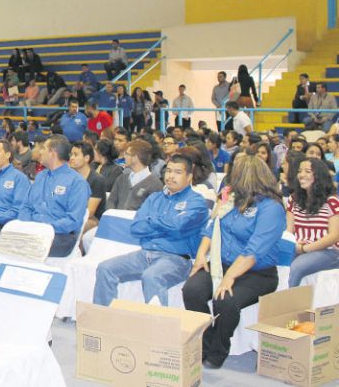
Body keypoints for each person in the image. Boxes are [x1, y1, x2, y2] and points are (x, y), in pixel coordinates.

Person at [183, 155, 286, 369]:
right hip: (221, 265)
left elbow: (254, 250)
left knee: (224, 299)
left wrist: (229, 278)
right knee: (191, 290)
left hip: (258, 273)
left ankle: (217, 351)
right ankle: (205, 342)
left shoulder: (271, 208)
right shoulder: (229, 198)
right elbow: (212, 227)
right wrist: (201, 256)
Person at [94, 152, 211, 306]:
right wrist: (167, 223)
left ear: (189, 177)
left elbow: (178, 226)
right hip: (144, 254)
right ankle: (103, 316)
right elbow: (136, 227)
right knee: (105, 268)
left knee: (152, 276)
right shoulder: (154, 198)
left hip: (176, 259)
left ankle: (157, 322)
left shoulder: (196, 202)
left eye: (178, 172)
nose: (171, 176)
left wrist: (151, 220)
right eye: (168, 171)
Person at [15, 135, 90, 256]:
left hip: (60, 236)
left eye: (43, 148)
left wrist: (45, 228)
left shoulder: (77, 183)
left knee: (23, 246)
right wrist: (28, 225)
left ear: (53, 153)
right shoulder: (40, 176)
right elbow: (26, 207)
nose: (40, 152)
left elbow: (73, 220)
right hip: (33, 231)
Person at [286, 158, 339, 287]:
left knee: (297, 266)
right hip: (298, 247)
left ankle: (288, 299)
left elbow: (334, 236)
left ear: (319, 176)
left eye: (307, 171)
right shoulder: (293, 200)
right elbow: (289, 232)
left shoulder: (332, 201)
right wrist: (295, 246)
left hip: (328, 251)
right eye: (300, 171)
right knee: (277, 262)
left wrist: (305, 249)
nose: (301, 175)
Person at [106, 139, 163, 213]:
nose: (124, 156)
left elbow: (153, 212)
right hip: (115, 218)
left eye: (127, 154)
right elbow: (111, 201)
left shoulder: (155, 184)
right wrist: (112, 214)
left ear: (135, 158)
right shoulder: (121, 178)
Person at [71, 141, 108, 239]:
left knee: (77, 225)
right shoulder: (70, 177)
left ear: (86, 158)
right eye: (71, 154)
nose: (71, 158)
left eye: (76, 155)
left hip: (93, 219)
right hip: (72, 214)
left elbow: (90, 212)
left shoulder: (97, 180)